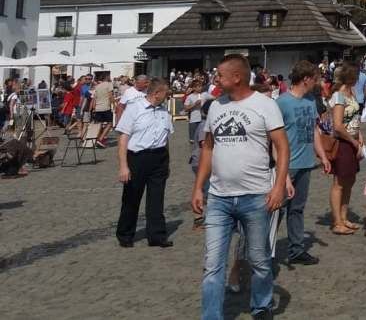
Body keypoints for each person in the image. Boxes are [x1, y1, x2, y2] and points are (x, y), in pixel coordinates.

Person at [192, 54, 290, 320]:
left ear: (237, 77)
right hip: (219, 197)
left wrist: (279, 186)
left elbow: (282, 147)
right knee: (212, 264)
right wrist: (198, 186)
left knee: (259, 260)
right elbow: (208, 148)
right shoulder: (216, 106)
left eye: (220, 75)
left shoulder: (265, 105)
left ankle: (261, 306)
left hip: (255, 196)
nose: (215, 79)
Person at [276, 61, 325, 266]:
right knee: (277, 209)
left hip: (306, 163)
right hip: (288, 165)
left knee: (297, 208)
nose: (317, 83)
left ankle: (296, 249)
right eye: (315, 79)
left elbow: (314, 130)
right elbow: (274, 139)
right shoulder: (281, 103)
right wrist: (282, 171)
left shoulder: (310, 101)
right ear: (306, 79)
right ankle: (264, 250)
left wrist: (322, 156)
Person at [115, 77, 174, 248]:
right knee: (131, 198)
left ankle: (157, 235)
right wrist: (123, 166)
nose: (168, 96)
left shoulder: (164, 111)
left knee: (156, 198)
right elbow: (123, 138)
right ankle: (125, 234)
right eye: (166, 93)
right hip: (138, 157)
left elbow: (166, 139)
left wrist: (167, 162)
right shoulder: (135, 108)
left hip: (159, 157)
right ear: (157, 93)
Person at [327, 64, 363, 235]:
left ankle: (344, 216)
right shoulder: (339, 96)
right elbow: (338, 126)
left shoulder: (351, 93)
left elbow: (355, 118)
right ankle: (337, 221)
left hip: (353, 140)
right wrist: (353, 142)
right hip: (343, 142)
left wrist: (359, 138)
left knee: (350, 180)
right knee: (339, 183)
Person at [91, 74, 115, 148]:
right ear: (106, 77)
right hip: (105, 107)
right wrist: (114, 104)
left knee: (99, 124)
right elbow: (110, 96)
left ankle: (97, 139)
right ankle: (101, 139)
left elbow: (94, 98)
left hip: (98, 107)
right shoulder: (109, 84)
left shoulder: (97, 86)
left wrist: (94, 107)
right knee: (110, 123)